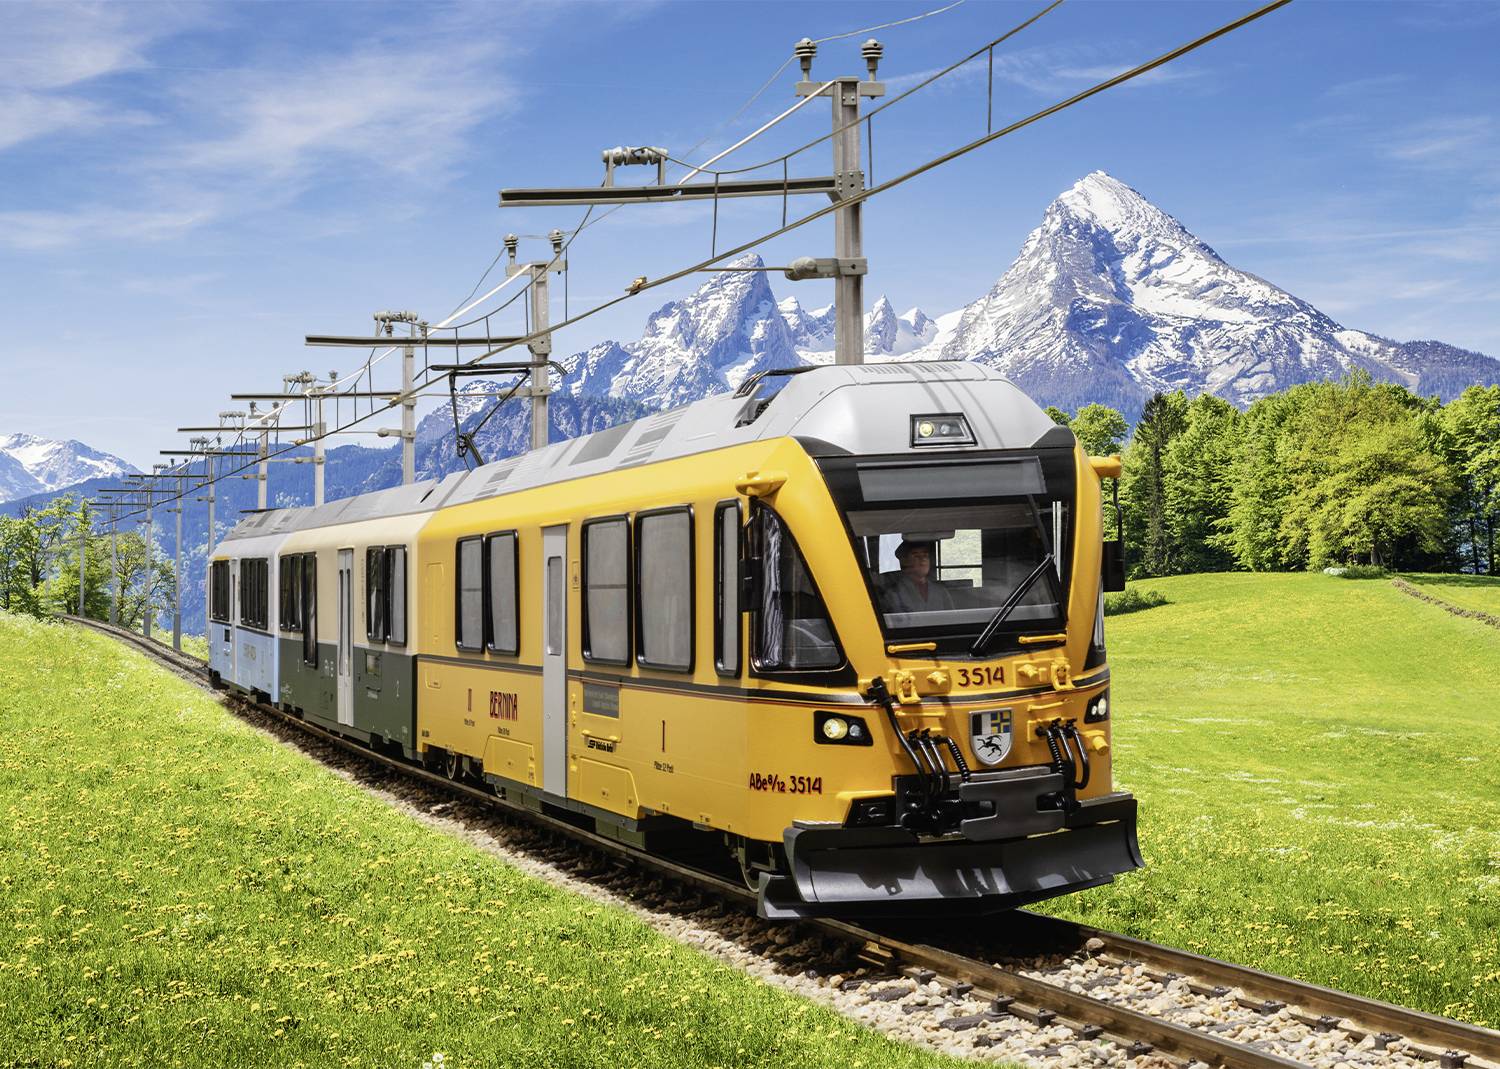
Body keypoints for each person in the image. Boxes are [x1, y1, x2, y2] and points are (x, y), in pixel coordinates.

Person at [879, 539, 955, 614]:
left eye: (926, 555)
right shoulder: (894, 592)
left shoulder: (940, 591)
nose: (923, 559)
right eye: (916, 556)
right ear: (904, 561)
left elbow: (953, 619)